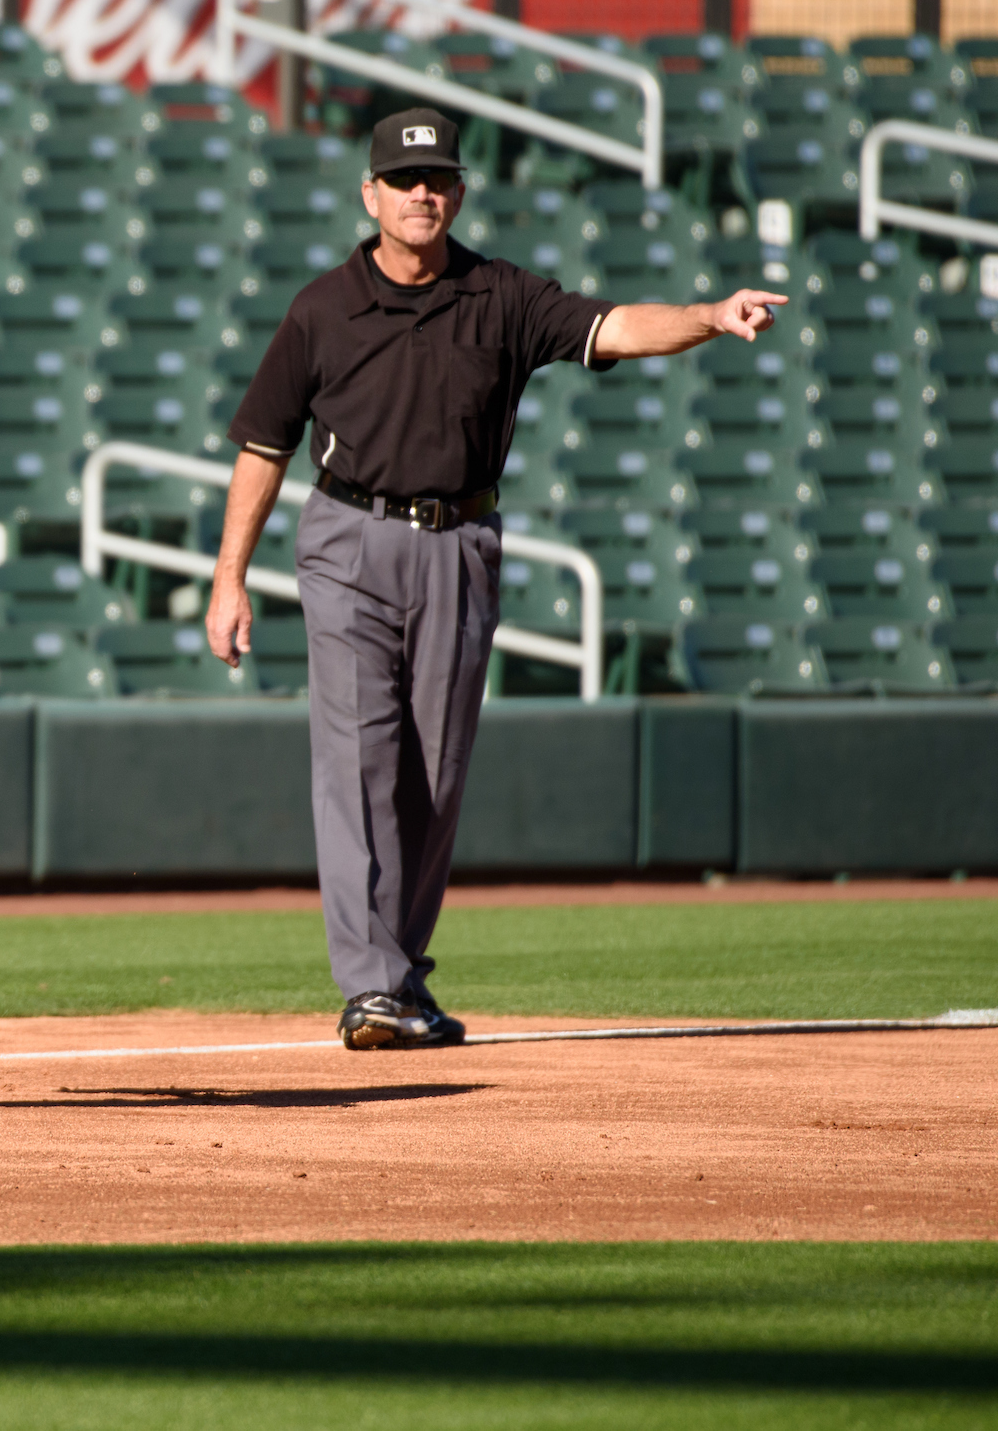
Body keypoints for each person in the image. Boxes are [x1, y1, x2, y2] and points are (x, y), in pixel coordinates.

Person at [205, 108, 786, 1051]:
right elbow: (263, 447)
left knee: (434, 777)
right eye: (402, 180)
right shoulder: (321, 307)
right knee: (357, 765)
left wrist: (710, 318)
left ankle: (400, 979)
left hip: (460, 544)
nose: (421, 194)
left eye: (436, 180)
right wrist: (229, 581)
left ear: (459, 193)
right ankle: (370, 987)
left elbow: (614, 326)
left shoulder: (501, 295)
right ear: (372, 195)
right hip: (348, 541)